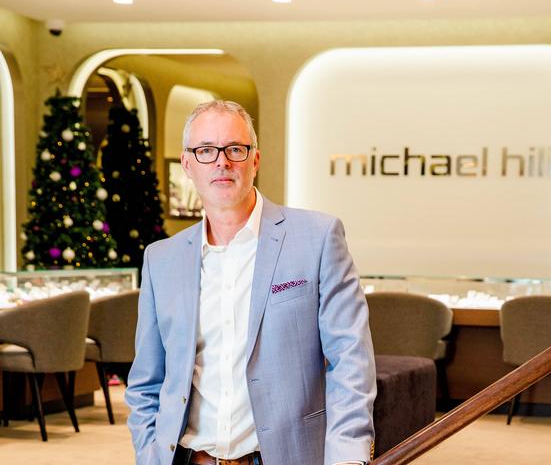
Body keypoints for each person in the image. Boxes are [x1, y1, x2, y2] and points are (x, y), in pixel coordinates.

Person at [125, 100, 376, 465]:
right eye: (206, 150)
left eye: (235, 149)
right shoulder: (161, 258)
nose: (222, 162)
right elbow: (147, 379)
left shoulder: (318, 238)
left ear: (254, 160)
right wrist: (149, 454)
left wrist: (349, 457)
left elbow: (351, 361)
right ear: (188, 164)